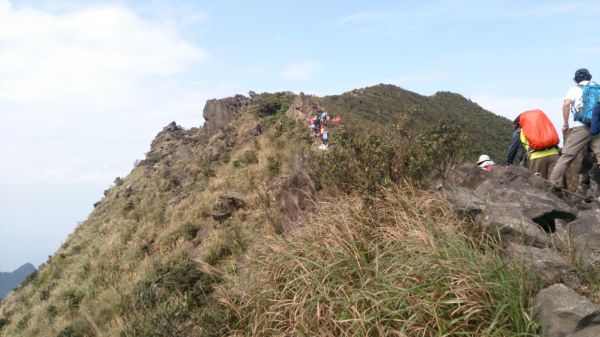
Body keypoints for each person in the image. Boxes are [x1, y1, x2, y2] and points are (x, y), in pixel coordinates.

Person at [550, 68, 600, 188]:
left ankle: (552, 183)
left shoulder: (575, 90)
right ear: (589, 77)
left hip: (581, 128)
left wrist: (566, 124)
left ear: (576, 80)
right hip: (598, 127)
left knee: (566, 156)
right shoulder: (597, 89)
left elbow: (567, 104)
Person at [508, 110, 559, 179]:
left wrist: (509, 163)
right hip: (554, 155)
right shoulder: (543, 127)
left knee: (540, 186)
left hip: (537, 158)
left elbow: (513, 149)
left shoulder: (520, 131)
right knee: (555, 184)